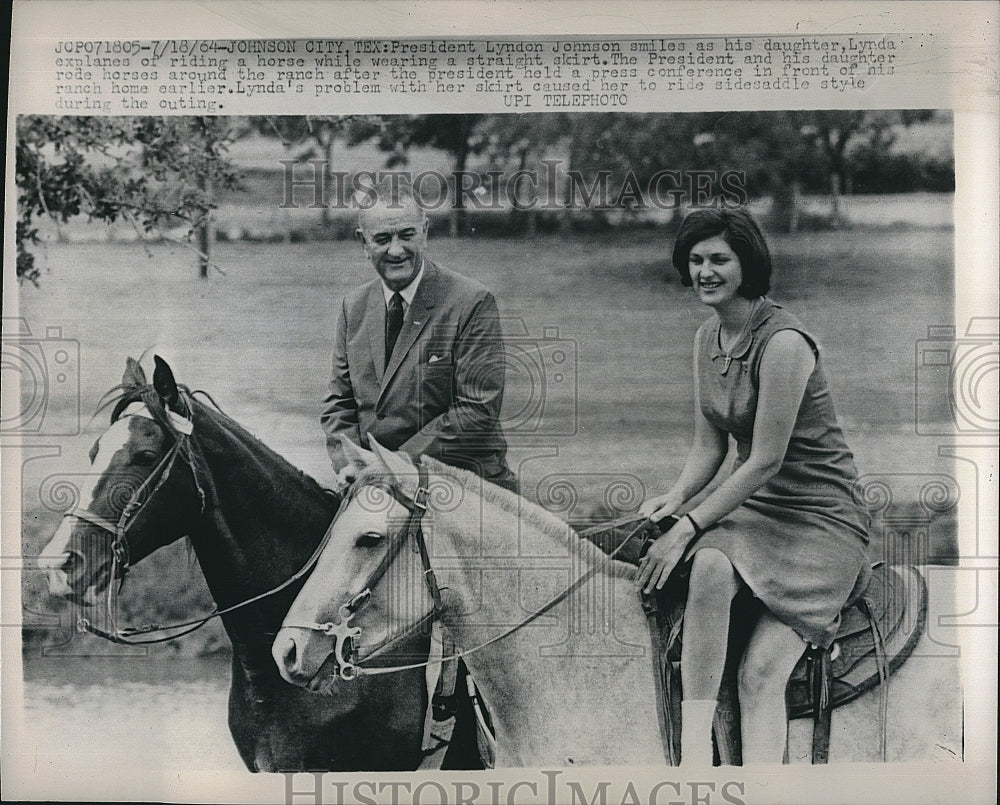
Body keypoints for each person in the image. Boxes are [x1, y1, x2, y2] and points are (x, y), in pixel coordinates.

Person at [637, 208, 871, 766]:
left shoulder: (785, 344)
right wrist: (675, 501)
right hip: (759, 509)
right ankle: (694, 757)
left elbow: (765, 460)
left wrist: (689, 527)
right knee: (710, 567)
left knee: (759, 674)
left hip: (821, 518)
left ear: (748, 263)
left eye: (719, 259)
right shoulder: (707, 337)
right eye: (695, 260)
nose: (705, 271)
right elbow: (710, 447)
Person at [321, 177, 517, 493]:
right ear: (363, 242)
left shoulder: (471, 302)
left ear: (424, 232)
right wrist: (351, 465)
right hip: (378, 491)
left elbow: (477, 410)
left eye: (406, 235)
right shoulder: (353, 306)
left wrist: (390, 469)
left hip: (463, 492)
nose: (396, 250)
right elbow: (339, 403)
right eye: (382, 238)